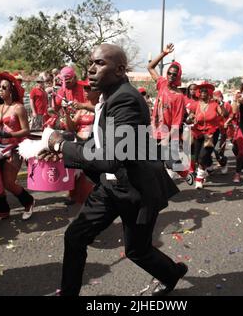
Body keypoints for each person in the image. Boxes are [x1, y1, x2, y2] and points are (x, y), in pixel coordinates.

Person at [42, 44, 187, 296]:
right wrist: (62, 149)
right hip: (110, 186)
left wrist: (62, 144)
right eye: (90, 63)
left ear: (120, 70)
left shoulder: (126, 99)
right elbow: (99, 144)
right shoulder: (108, 98)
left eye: (99, 64)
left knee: (136, 251)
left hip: (136, 190)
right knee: (75, 237)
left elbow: (111, 157)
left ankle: (172, 274)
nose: (90, 69)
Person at [0, 72, 35, 223]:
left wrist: (10, 135)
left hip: (15, 148)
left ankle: (29, 201)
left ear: (11, 90)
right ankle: (2, 211)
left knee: (8, 182)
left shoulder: (19, 108)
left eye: (4, 87)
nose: (1, 90)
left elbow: (26, 131)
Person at [147, 43, 191, 182]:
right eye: (169, 73)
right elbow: (150, 67)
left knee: (167, 161)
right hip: (153, 129)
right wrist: (164, 53)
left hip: (166, 132)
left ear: (178, 76)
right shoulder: (162, 83)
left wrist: (168, 138)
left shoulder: (179, 96)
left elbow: (177, 122)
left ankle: (185, 173)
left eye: (174, 74)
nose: (171, 76)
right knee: (153, 162)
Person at [189, 82, 225, 189]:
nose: (203, 93)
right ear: (199, 93)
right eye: (201, 91)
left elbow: (224, 114)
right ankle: (209, 167)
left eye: (205, 91)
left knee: (202, 156)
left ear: (209, 93)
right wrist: (190, 118)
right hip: (198, 133)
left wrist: (221, 104)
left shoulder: (214, 104)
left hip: (211, 133)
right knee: (197, 157)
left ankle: (199, 179)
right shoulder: (195, 105)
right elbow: (191, 115)